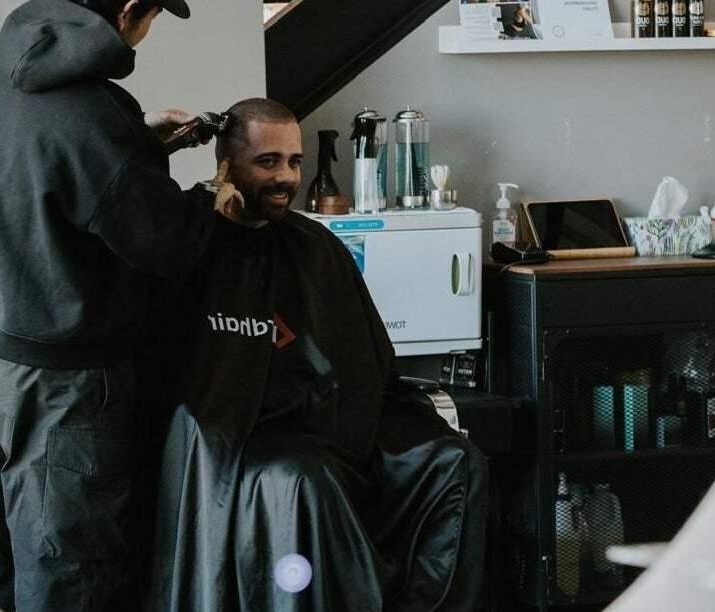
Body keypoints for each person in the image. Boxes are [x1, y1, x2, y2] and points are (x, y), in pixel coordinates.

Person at [0, 0, 240, 611]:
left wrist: (141, 146)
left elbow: (44, 174)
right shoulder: (93, 112)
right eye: (154, 16)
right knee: (69, 571)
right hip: (62, 383)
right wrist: (214, 199)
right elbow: (162, 243)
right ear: (133, 10)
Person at [144, 98, 488, 612]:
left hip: (335, 429)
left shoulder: (316, 247)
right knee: (306, 480)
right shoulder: (191, 243)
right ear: (229, 163)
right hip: (239, 440)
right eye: (268, 162)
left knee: (456, 462)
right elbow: (176, 373)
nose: (286, 178)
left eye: (295, 162)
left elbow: (368, 366)